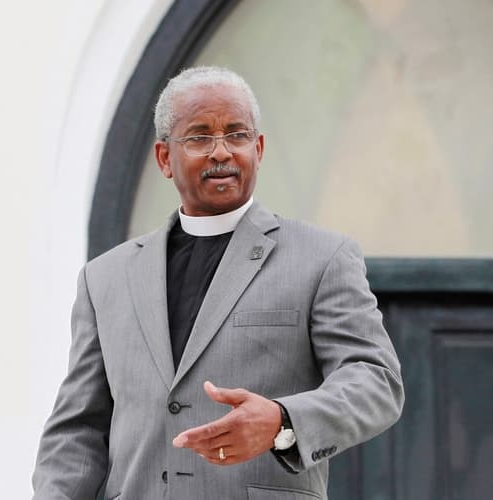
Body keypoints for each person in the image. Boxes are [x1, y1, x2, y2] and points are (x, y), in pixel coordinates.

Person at [32, 66, 404, 500]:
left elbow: (376, 381)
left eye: (237, 134)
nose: (221, 152)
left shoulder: (322, 258)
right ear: (165, 158)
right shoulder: (105, 278)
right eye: (200, 137)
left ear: (258, 148)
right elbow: (79, 427)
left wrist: (283, 421)